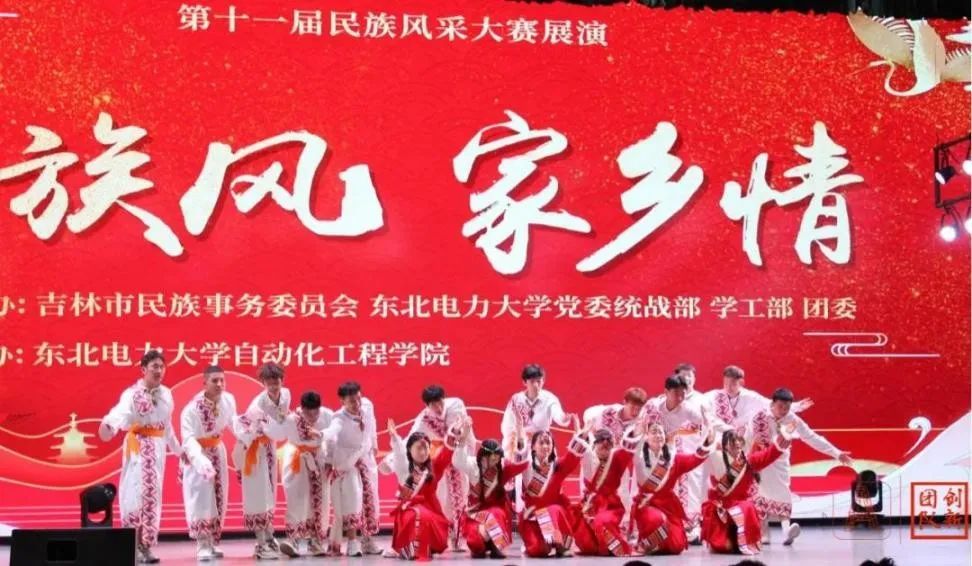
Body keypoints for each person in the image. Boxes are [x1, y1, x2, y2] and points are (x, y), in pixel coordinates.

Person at [99, 350, 182, 564]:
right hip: (138, 448)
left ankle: (146, 547)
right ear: (143, 369)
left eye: (161, 367)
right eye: (154, 366)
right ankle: (133, 546)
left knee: (153, 496)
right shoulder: (132, 394)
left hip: (157, 450)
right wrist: (110, 425)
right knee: (135, 495)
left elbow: (167, 426)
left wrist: (178, 450)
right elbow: (120, 413)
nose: (158, 370)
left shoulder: (166, 394)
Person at [747, 387, 852, 545]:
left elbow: (812, 437)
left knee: (783, 494)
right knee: (759, 495)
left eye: (787, 407)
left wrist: (836, 453)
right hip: (760, 461)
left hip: (781, 463)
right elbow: (748, 438)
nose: (784, 410)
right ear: (773, 403)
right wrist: (747, 460)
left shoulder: (793, 420)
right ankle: (764, 533)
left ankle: (786, 531)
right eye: (781, 406)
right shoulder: (758, 417)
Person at [700, 426, 795, 555]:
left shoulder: (748, 461)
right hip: (721, 506)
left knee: (748, 507)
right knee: (724, 545)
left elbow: (769, 454)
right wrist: (708, 440)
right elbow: (702, 453)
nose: (737, 443)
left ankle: (744, 541)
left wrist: (783, 437)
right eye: (732, 440)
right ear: (725, 445)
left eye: (738, 440)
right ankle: (724, 540)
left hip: (740, 504)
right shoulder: (716, 457)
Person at [232, 362, 291, 559]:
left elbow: (282, 424)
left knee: (270, 493)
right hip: (254, 450)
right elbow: (243, 430)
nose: (274, 386)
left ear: (282, 380)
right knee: (257, 495)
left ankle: (269, 536)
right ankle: (260, 542)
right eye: (269, 383)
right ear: (263, 383)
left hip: (270, 448)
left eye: (277, 382)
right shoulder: (257, 405)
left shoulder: (286, 395)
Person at [630, 419, 714, 555]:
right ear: (646, 437)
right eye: (654, 432)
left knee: (676, 545)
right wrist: (637, 433)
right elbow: (633, 448)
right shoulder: (639, 458)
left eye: (661, 432)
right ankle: (646, 544)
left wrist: (708, 441)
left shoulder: (674, 459)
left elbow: (696, 458)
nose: (658, 435)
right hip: (646, 504)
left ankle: (656, 544)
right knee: (656, 519)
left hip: (668, 506)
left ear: (665, 437)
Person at [180, 365, 237, 560]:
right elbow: (188, 439)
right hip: (199, 455)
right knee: (200, 499)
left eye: (222, 380)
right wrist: (200, 461)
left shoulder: (228, 400)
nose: (219, 384)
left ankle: (212, 541)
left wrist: (249, 435)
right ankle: (202, 544)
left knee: (219, 497)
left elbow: (234, 424)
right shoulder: (191, 409)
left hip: (217, 451)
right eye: (214, 380)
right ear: (205, 383)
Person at [451, 417, 529, 558]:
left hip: (496, 513)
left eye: (497, 456)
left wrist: (520, 438)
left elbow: (522, 464)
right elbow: (458, 461)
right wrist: (463, 439)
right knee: (476, 544)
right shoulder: (473, 465)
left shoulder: (503, 467)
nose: (494, 459)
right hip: (475, 514)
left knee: (496, 513)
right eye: (491, 456)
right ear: (482, 456)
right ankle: (486, 541)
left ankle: (496, 544)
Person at [320, 381, 381, 556]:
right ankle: (352, 542)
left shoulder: (367, 406)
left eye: (358, 398)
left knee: (370, 499)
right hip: (348, 462)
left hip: (366, 459)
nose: (357, 403)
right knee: (352, 498)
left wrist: (374, 443)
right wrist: (322, 437)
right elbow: (332, 434)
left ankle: (368, 540)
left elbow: (372, 424)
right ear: (342, 401)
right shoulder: (339, 418)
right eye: (352, 401)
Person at [386, 417, 461, 560]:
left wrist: (454, 434)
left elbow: (446, 454)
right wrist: (394, 437)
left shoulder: (434, 467)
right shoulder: (404, 467)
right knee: (418, 515)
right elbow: (399, 452)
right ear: (410, 450)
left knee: (428, 519)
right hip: (409, 511)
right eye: (419, 448)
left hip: (432, 511)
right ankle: (411, 548)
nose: (423, 452)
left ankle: (422, 545)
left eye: (426, 448)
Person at [270, 391, 334, 558]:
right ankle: (294, 540)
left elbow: (334, 438)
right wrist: (278, 418)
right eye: (308, 413)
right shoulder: (292, 419)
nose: (312, 417)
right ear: (302, 409)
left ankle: (316, 541)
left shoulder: (328, 415)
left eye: (315, 412)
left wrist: (330, 460)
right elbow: (277, 434)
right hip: (297, 460)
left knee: (321, 500)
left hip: (319, 458)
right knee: (297, 498)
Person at [518, 415, 589, 558]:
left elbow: (572, 457)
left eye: (548, 443)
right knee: (539, 551)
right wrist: (520, 435)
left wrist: (580, 436)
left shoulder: (557, 466)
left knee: (550, 510)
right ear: (533, 447)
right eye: (541, 443)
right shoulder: (527, 466)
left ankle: (559, 544)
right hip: (532, 518)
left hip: (553, 516)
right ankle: (546, 543)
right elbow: (519, 454)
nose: (545, 446)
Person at [572, 428, 639, 556]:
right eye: (601, 441)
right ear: (594, 445)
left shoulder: (617, 464)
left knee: (602, 521)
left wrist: (626, 519)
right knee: (587, 545)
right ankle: (603, 544)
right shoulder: (590, 460)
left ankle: (618, 547)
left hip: (611, 507)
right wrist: (584, 433)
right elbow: (584, 452)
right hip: (590, 507)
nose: (605, 444)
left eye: (608, 443)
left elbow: (624, 491)